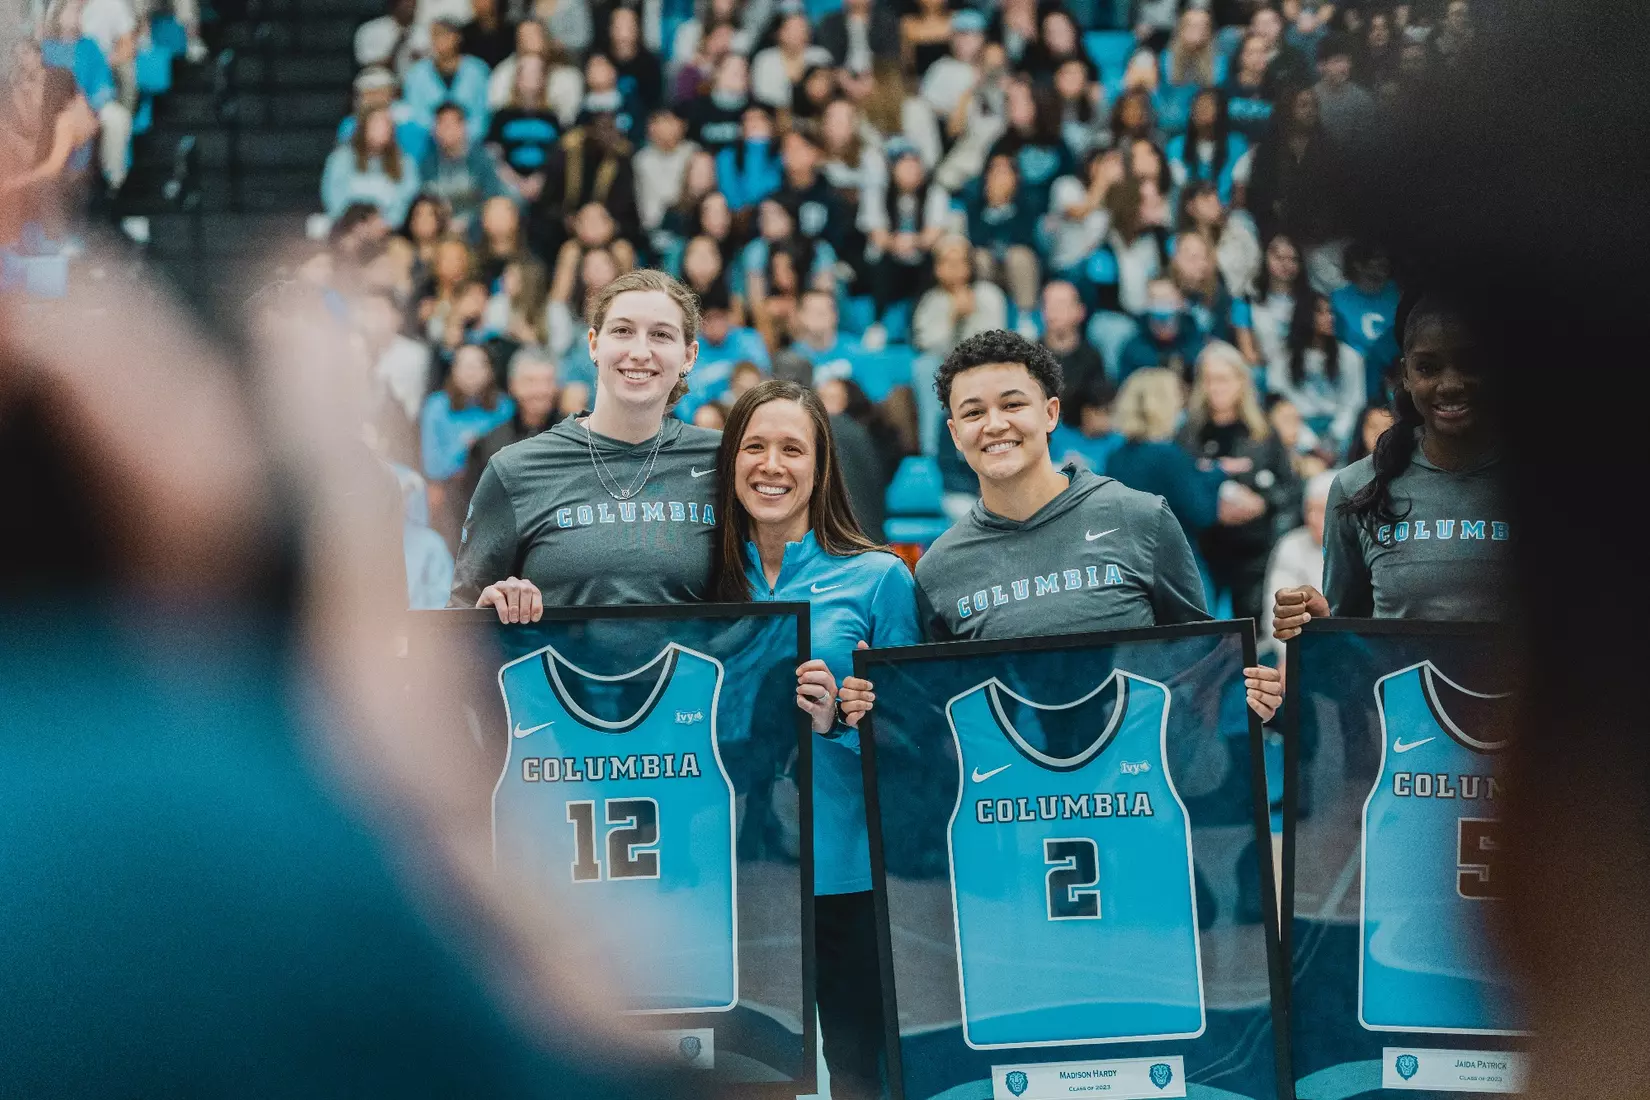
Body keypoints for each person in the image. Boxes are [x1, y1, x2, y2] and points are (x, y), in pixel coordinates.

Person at [838, 331, 1282, 723]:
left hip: (1136, 784)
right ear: (955, 434)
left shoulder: (1140, 518)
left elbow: (1199, 671)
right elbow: (938, 717)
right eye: (973, 413)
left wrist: (1247, 696)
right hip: (1012, 791)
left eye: (1013, 404)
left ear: (1050, 413)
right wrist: (872, 704)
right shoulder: (938, 569)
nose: (995, 424)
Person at [709, 379, 919, 1100]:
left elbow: (915, 745)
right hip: (737, 879)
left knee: (864, 1077)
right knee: (744, 1081)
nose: (772, 465)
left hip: (850, 878)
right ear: (731, 460)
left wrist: (842, 724)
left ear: (821, 465)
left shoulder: (879, 578)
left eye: (792, 449)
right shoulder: (700, 584)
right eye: (755, 446)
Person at [451, 269, 722, 619]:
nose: (640, 352)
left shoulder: (723, 460)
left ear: (689, 355)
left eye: (661, 335)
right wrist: (487, 610)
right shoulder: (514, 470)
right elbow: (457, 620)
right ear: (593, 344)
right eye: (622, 331)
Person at [1272, 293, 1511, 636]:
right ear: (1406, 375)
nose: (1450, 384)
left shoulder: (1548, 485)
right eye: (1428, 368)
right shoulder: (1358, 488)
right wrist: (1318, 623)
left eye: (1469, 364)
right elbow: (1349, 640)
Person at [1178, 342, 1300, 621]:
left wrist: (1263, 503)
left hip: (1254, 549)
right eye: (1209, 380)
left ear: (1240, 381)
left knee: (1251, 627)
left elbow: (1292, 487)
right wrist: (1210, 506)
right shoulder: (1188, 435)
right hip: (1204, 549)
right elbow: (1177, 489)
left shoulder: (1263, 432)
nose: (1216, 388)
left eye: (1223, 379)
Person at [1266, 290, 1365, 456]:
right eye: (1320, 312)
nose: (1329, 318)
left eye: (1330, 312)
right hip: (1298, 429)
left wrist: (1335, 436)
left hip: (1339, 430)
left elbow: (1354, 402)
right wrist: (1309, 442)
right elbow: (1278, 400)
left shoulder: (1350, 356)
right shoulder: (1283, 356)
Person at [1258, 468, 1333, 653]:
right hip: (1297, 646)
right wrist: (1290, 656)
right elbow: (1275, 612)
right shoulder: (1290, 544)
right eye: (1309, 509)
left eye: (1322, 510)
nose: (1313, 519)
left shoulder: (1360, 546)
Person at [321, 105, 422, 226]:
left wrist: (388, 223)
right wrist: (354, 223)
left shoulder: (405, 162)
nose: (383, 129)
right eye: (376, 124)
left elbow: (408, 198)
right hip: (348, 228)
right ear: (364, 127)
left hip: (389, 229)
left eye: (387, 124)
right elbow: (333, 196)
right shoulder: (341, 158)